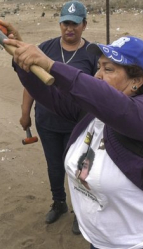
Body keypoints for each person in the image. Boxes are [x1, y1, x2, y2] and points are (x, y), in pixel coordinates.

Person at [0, 20, 143, 249]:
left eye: (109, 69)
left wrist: (52, 66)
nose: (98, 75)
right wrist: (21, 57)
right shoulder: (91, 111)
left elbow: (116, 108)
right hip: (102, 243)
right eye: (99, 67)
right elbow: (50, 96)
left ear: (136, 80)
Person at [19, 0, 97, 233]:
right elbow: (31, 84)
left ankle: (79, 212)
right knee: (54, 167)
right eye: (65, 24)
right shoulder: (45, 48)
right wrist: (25, 113)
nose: (69, 29)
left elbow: (100, 91)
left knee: (79, 170)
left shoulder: (92, 53)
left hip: (79, 126)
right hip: (48, 122)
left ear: (84, 24)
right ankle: (59, 203)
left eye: (74, 24)